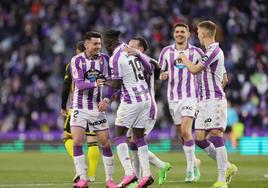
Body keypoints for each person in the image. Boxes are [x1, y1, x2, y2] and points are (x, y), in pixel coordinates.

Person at [178, 20, 238, 188]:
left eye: (198, 32)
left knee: (216, 135)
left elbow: (195, 69)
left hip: (213, 101)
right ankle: (228, 167)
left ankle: (221, 180)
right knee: (199, 139)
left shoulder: (214, 50)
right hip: (203, 102)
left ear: (203, 33)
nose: (197, 34)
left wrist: (183, 57)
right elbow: (224, 78)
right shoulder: (209, 52)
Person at [99, 30, 154, 188]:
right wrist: (108, 97)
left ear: (108, 42)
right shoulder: (130, 50)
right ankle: (147, 174)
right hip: (145, 98)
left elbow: (116, 84)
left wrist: (103, 81)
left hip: (131, 100)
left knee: (118, 135)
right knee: (139, 137)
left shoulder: (115, 57)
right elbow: (149, 68)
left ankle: (130, 173)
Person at [69, 31, 116, 188]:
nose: (98, 46)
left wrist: (107, 99)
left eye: (99, 43)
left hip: (97, 108)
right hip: (80, 107)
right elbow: (80, 84)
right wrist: (97, 83)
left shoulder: (105, 60)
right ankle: (82, 179)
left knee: (105, 143)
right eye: (95, 43)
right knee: (77, 141)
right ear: (86, 44)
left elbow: (112, 83)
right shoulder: (76, 60)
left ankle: (109, 179)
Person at [124, 37, 171, 187]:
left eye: (132, 46)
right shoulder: (128, 61)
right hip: (133, 106)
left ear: (141, 49)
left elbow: (158, 72)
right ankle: (157, 167)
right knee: (133, 143)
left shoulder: (148, 62)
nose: (128, 48)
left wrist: (162, 74)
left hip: (147, 107)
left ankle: (139, 177)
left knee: (134, 141)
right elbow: (160, 75)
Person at [158, 23, 202, 182]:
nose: (179, 34)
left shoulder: (196, 52)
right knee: (183, 135)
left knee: (185, 130)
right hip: (173, 98)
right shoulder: (166, 52)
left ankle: (190, 170)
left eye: (182, 31)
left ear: (188, 34)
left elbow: (205, 67)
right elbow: (160, 71)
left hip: (190, 96)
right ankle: (195, 163)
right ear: (173, 34)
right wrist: (161, 75)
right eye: (177, 31)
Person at [60, 41, 100, 183]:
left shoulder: (73, 64)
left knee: (67, 137)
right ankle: (92, 175)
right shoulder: (97, 64)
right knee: (92, 141)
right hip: (95, 108)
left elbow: (66, 86)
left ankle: (80, 169)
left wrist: (63, 106)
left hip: (77, 107)